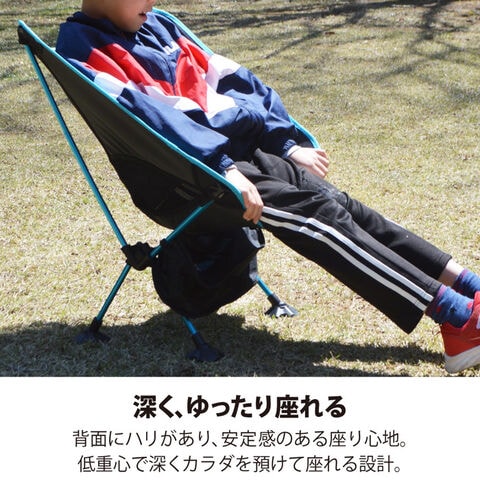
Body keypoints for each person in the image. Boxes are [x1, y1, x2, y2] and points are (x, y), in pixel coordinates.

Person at [55, 0, 480, 374]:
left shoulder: (159, 25)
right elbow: (150, 120)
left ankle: (468, 286)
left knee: (338, 204)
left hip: (236, 152)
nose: (152, 1)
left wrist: (285, 143)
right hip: (191, 175)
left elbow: (233, 81)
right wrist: (223, 168)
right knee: (318, 219)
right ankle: (458, 319)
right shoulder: (80, 45)